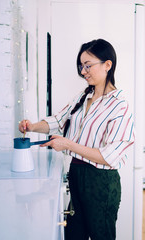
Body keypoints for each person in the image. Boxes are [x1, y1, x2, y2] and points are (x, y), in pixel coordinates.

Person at [18, 39, 135, 240]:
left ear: (108, 65)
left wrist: (67, 144)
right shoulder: (84, 96)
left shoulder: (120, 105)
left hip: (101, 182)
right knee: (74, 234)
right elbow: (58, 120)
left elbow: (108, 157)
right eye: (81, 66)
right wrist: (33, 126)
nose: (83, 71)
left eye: (88, 65)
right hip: (77, 174)